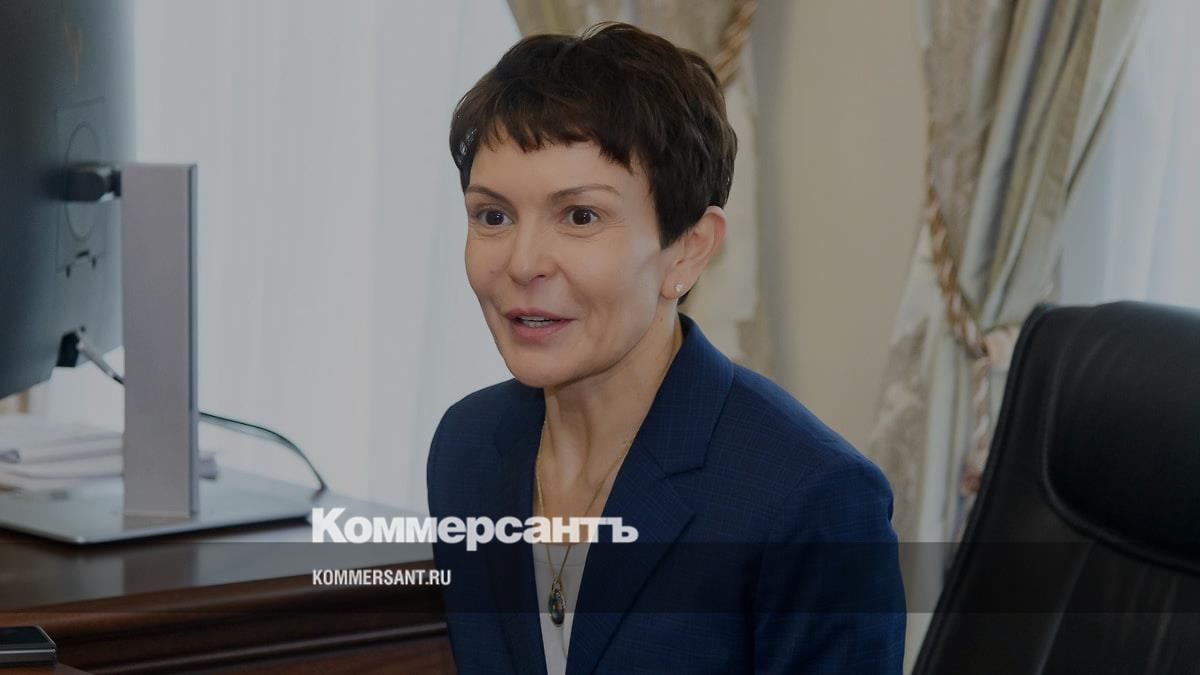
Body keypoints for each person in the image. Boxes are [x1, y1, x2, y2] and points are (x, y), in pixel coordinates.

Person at [427, 22, 905, 674]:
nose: (522, 262)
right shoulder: (467, 448)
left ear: (688, 249)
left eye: (580, 216)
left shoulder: (811, 499)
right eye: (493, 216)